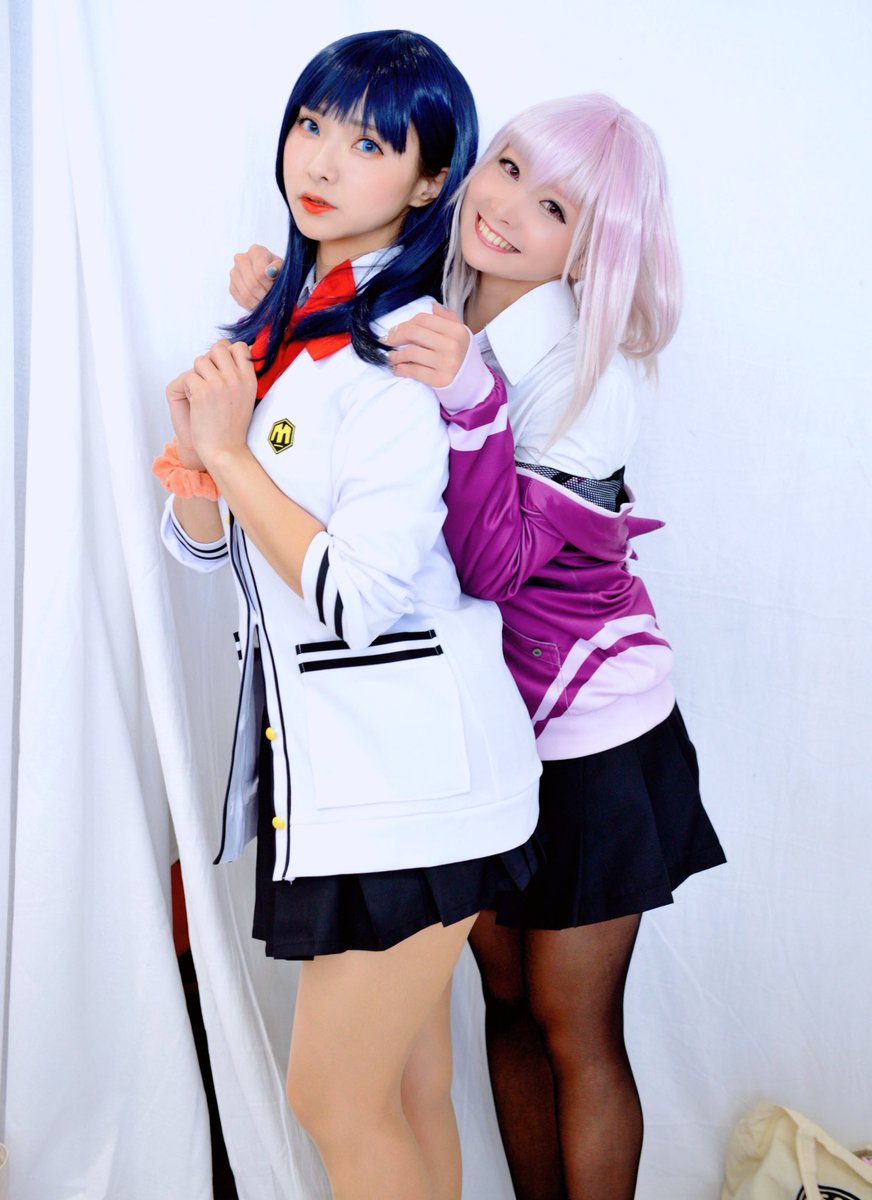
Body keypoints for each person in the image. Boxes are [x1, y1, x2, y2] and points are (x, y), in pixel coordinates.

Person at [231, 93, 726, 1200]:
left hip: (590, 730)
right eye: (504, 168)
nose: (504, 207)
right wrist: (277, 301)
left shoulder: (592, 372)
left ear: (590, 250)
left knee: (572, 1022)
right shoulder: (437, 296)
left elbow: (495, 566)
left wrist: (467, 395)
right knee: (499, 1004)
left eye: (552, 207)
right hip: (477, 734)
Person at [155, 31, 542, 1200]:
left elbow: (358, 601)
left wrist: (235, 458)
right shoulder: (283, 332)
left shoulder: (394, 358)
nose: (321, 160)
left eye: (370, 143)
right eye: (312, 124)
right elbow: (215, 556)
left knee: (334, 1098)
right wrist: (202, 471)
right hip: (349, 777)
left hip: (408, 781)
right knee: (407, 1087)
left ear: (428, 182)